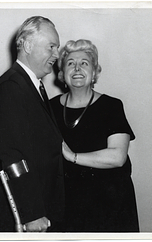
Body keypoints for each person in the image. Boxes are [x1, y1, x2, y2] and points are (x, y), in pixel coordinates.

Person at [50, 39, 139, 232]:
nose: (77, 68)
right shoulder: (49, 108)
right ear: (61, 74)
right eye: (70, 63)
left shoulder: (112, 106)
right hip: (67, 202)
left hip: (109, 202)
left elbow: (117, 157)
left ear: (94, 73)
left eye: (84, 63)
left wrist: (72, 156)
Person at [0, 16, 64, 232]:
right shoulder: (12, 87)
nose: (56, 55)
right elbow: (13, 157)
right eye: (51, 46)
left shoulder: (29, 85)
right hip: (26, 215)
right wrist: (32, 213)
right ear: (28, 45)